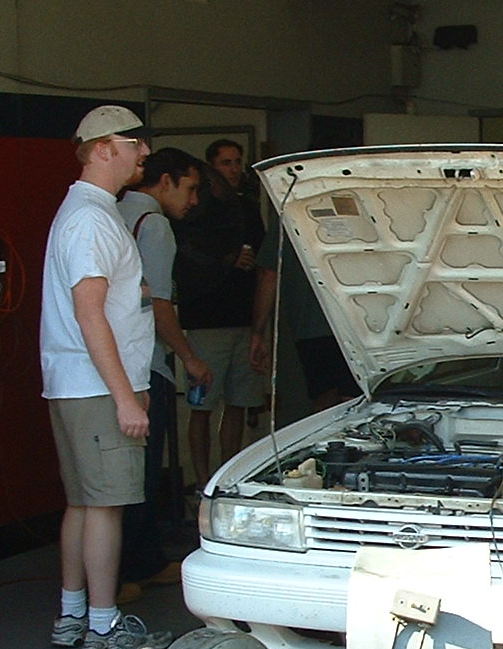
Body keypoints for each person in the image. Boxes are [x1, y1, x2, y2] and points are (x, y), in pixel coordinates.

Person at [40, 105, 171, 649]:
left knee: (84, 504)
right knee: (107, 507)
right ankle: (103, 625)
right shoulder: (91, 220)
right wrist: (125, 397)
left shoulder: (88, 212)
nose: (145, 152)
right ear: (101, 149)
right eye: (134, 142)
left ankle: (73, 615)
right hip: (97, 389)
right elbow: (90, 312)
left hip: (74, 384)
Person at [116, 148, 210, 599]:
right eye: (190, 188)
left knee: (124, 474)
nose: (193, 201)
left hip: (110, 364)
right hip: (145, 364)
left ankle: (139, 561)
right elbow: (159, 305)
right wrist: (190, 358)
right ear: (166, 181)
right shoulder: (153, 225)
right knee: (143, 473)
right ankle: (131, 567)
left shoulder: (113, 212)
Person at [172, 138, 264, 491]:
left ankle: (228, 479)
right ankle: (201, 481)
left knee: (239, 402)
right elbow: (186, 258)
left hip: (244, 317)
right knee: (202, 406)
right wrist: (226, 259)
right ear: (211, 167)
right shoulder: (193, 210)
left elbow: (263, 259)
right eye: (226, 162)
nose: (234, 169)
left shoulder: (247, 208)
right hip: (205, 319)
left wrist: (261, 326)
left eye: (238, 161)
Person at [249, 220, 359, 418]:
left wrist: (258, 332)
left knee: (325, 403)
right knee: (357, 401)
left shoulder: (291, 214)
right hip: (363, 323)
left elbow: (269, 275)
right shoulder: (361, 211)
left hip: (313, 325)